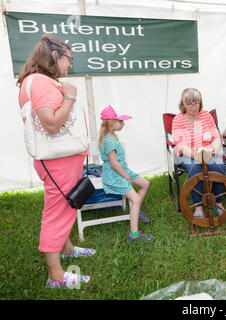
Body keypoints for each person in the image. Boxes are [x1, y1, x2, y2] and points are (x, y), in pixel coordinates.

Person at [17, 34, 94, 288]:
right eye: (68, 59)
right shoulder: (40, 82)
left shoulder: (38, 81)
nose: (70, 65)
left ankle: (67, 247)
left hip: (59, 160)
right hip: (57, 161)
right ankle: (56, 276)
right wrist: (70, 97)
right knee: (56, 212)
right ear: (54, 56)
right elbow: (51, 124)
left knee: (63, 207)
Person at [98, 105, 152, 242]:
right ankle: (134, 235)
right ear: (111, 122)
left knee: (145, 184)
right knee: (135, 199)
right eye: (120, 121)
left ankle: (136, 211)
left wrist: (127, 173)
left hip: (121, 170)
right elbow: (114, 164)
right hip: (114, 175)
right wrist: (126, 177)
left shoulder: (112, 135)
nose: (123, 123)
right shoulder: (109, 140)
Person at [172, 88, 226, 217]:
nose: (193, 106)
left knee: (219, 166)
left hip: (208, 150)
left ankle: (217, 201)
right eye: (190, 103)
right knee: (194, 168)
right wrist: (195, 154)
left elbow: (216, 137)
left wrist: (214, 149)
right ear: (183, 104)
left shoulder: (206, 115)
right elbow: (181, 145)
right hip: (188, 153)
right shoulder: (178, 120)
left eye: (196, 103)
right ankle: (198, 206)